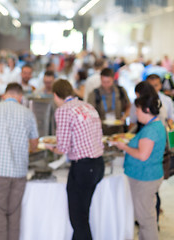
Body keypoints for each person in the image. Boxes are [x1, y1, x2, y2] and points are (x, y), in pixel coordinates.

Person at [0, 83, 39, 240]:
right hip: (19, 173)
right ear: (21, 97)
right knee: (14, 216)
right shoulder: (28, 113)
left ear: (4, 95)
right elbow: (35, 144)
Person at [48, 79, 104, 240]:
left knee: (78, 219)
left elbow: (62, 148)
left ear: (55, 95)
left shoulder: (64, 110)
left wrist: (48, 147)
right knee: (82, 215)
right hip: (97, 164)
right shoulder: (88, 106)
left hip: (83, 167)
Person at [114, 93, 166, 240]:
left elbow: (143, 155)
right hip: (146, 175)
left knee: (146, 219)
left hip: (145, 178)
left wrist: (124, 147)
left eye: (137, 110)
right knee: (147, 216)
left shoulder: (150, 130)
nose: (135, 113)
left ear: (147, 110)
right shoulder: (154, 125)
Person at [87, 68, 131, 135]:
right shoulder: (94, 93)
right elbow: (89, 112)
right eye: (103, 82)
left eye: (108, 82)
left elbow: (129, 106)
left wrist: (124, 116)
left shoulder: (120, 91)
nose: (106, 84)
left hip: (119, 130)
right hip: (101, 131)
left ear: (113, 79)